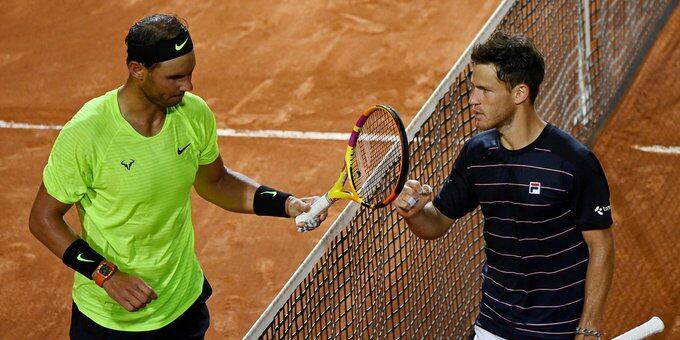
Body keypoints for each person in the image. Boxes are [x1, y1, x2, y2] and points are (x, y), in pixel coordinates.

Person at [28, 13, 325, 339]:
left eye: (190, 73)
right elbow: (44, 219)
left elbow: (217, 182)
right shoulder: (88, 134)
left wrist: (288, 204)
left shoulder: (193, 114)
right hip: (111, 321)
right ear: (138, 70)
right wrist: (107, 276)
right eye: (175, 77)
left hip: (183, 304)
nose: (188, 85)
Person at [393, 31, 614, 340]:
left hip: (556, 329)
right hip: (493, 324)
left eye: (485, 90)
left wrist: (589, 328)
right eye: (473, 88)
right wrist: (415, 213)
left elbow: (601, 246)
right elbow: (437, 223)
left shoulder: (573, 161)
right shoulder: (478, 154)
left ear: (519, 93)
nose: (473, 100)